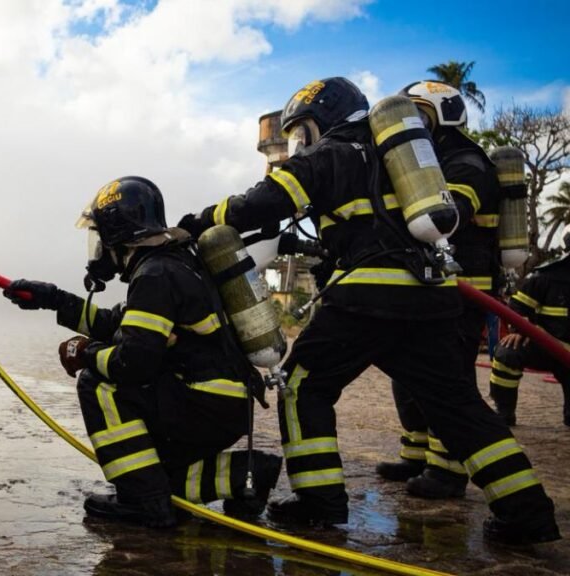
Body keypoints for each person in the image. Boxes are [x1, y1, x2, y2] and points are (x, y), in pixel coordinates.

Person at [177, 77, 560, 544]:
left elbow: (263, 204)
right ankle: (528, 513)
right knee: (456, 404)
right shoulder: (405, 155)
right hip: (430, 294)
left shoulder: (332, 152)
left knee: (303, 386)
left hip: (367, 292)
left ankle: (320, 504)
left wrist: (196, 223)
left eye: (304, 130)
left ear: (326, 118)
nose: (301, 142)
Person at [2, 176, 282, 529]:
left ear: (117, 232)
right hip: (222, 405)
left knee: (98, 383)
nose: (98, 249)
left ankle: (143, 504)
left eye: (99, 237)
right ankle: (247, 475)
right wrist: (52, 299)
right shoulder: (173, 263)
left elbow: (133, 364)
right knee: (156, 471)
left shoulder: (155, 275)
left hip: (204, 404)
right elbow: (114, 324)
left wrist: (85, 354)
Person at [375, 81, 502, 500]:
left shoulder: (467, 162)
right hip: (432, 287)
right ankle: (416, 455)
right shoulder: (430, 162)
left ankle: (448, 473)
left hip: (465, 290)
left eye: (420, 115)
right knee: (409, 376)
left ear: (443, 116)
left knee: (451, 381)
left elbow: (449, 215)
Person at [489, 232, 570, 428]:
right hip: (547, 347)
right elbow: (518, 307)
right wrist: (520, 329)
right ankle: (504, 412)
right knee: (507, 354)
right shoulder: (548, 277)